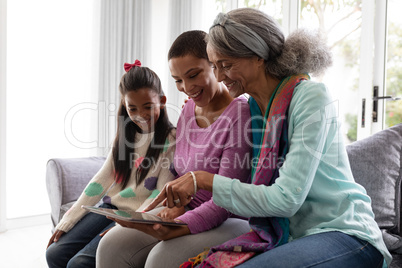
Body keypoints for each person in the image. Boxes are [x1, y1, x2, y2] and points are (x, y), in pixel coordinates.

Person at [145, 8, 392, 268]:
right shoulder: (252, 109)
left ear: (259, 57)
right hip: (289, 235)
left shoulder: (311, 98)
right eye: (215, 66)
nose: (218, 77)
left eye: (226, 66)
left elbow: (286, 199)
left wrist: (205, 180)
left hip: (344, 231)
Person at [96, 30, 253, 268]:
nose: (187, 87)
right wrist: (174, 206)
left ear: (215, 66)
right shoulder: (189, 110)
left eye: (193, 75)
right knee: (111, 246)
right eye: (178, 80)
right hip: (184, 208)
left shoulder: (240, 115)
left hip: (229, 217)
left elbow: (227, 199)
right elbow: (181, 174)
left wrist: (180, 224)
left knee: (160, 260)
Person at [46, 60, 177, 268]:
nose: (140, 116)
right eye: (132, 108)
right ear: (124, 105)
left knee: (78, 264)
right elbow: (100, 181)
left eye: (148, 107)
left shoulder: (171, 139)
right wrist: (68, 221)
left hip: (137, 215)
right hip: (110, 208)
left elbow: (159, 194)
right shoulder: (125, 136)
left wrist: (125, 226)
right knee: (54, 254)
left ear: (162, 101)